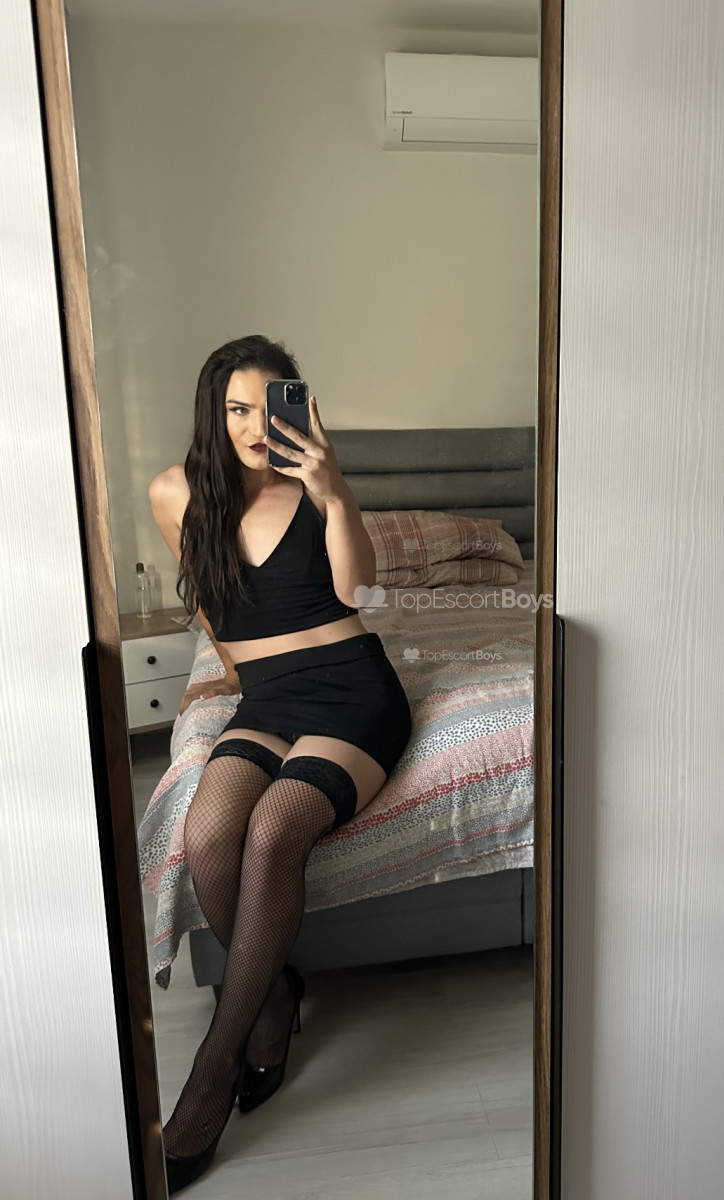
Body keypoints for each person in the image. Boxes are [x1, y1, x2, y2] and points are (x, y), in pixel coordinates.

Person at [149, 333, 412, 1193]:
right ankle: (271, 995)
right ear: (213, 413)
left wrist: (334, 493)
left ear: (300, 409)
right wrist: (227, 678)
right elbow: (208, 602)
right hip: (267, 699)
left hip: (352, 692)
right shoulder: (175, 492)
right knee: (208, 833)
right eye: (236, 409)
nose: (255, 427)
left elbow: (359, 594)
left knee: (272, 832)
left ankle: (214, 1070)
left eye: (271, 407)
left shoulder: (315, 487)